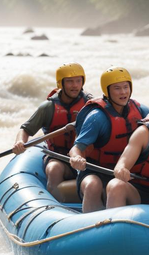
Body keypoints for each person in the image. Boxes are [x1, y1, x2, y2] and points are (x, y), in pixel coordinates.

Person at [69, 67, 149, 213]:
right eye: (117, 88)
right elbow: (76, 148)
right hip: (95, 171)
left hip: (125, 171)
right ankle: (91, 223)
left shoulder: (139, 109)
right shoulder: (97, 117)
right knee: (92, 185)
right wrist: (76, 158)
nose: (123, 92)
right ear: (107, 91)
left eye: (126, 87)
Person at [13, 62, 91, 198]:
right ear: (61, 84)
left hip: (84, 158)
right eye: (70, 82)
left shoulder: (90, 104)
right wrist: (19, 142)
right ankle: (56, 209)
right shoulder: (48, 107)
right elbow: (25, 129)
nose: (75, 85)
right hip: (58, 157)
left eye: (78, 81)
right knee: (54, 170)